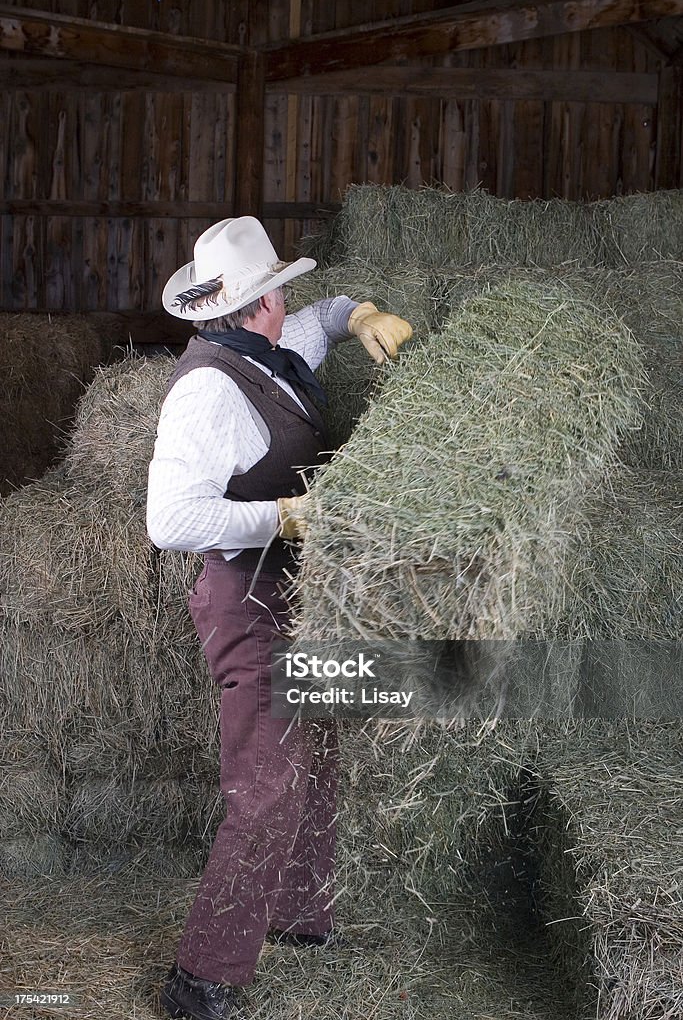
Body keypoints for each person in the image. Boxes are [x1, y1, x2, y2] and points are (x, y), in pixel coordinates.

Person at [146, 217, 412, 1020]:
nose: (286, 300)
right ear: (255, 301)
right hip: (249, 601)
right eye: (276, 288)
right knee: (265, 786)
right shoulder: (208, 391)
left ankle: (298, 917)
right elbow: (169, 520)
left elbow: (322, 318)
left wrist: (360, 313)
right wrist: (281, 516)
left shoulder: (266, 347)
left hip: (299, 598)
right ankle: (202, 978)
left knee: (316, 758)